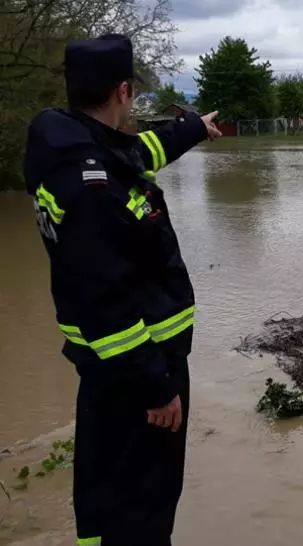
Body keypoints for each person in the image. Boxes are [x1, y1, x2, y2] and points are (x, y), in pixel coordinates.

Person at [23, 34, 221, 546]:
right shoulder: (93, 187)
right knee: (143, 506)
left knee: (106, 493)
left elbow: (140, 152)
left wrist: (192, 128)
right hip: (138, 373)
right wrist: (155, 386)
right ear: (124, 91)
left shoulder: (77, 148)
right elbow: (103, 302)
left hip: (110, 369)